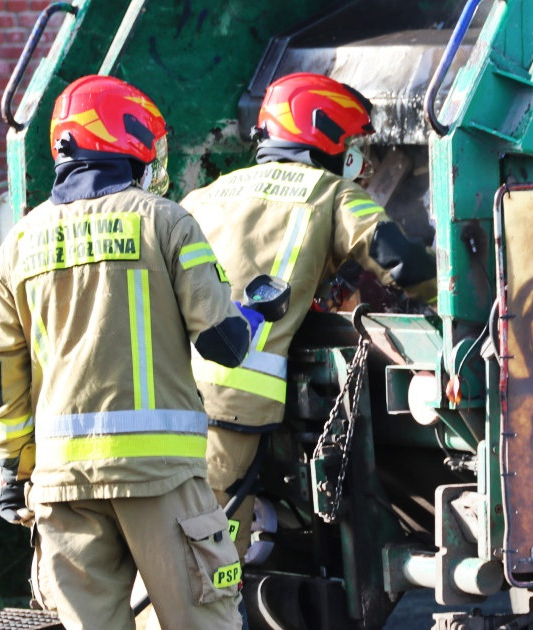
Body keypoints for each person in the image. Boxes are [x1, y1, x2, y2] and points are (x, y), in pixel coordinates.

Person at [0, 75, 250, 630]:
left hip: (61, 486)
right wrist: (252, 313)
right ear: (127, 141)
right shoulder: (165, 221)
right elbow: (224, 343)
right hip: (161, 480)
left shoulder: (19, 244)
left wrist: (13, 468)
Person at [181, 72, 437, 561]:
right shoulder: (328, 193)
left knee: (168, 530)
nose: (360, 162)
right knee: (209, 558)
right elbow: (396, 259)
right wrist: (460, 294)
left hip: (166, 394)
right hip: (232, 403)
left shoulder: (203, 196)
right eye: (355, 145)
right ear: (326, 133)